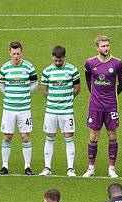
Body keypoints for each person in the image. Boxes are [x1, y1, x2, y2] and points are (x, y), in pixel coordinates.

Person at [82, 36, 122, 179]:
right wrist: (94, 94)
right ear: (97, 48)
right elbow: (88, 80)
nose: (106, 48)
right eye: (103, 46)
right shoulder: (90, 63)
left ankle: (112, 168)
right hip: (95, 105)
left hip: (110, 105)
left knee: (112, 135)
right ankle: (91, 168)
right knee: (93, 135)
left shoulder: (118, 63)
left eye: (107, 45)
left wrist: (113, 95)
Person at [39, 45, 80, 177]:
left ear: (64, 57)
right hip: (51, 111)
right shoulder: (47, 71)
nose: (57, 63)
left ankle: (70, 169)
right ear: (52, 57)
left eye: (60, 60)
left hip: (67, 111)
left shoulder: (73, 70)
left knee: (69, 137)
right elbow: (44, 90)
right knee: (49, 137)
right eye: (55, 60)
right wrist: (53, 100)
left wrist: (66, 99)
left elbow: (77, 88)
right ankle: (47, 168)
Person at [0, 41, 38, 176]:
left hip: (24, 109)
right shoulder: (4, 68)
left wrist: (24, 94)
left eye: (18, 53)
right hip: (9, 109)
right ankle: (4, 166)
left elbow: (34, 84)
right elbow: (1, 85)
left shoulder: (29, 67)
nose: (16, 56)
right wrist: (10, 95)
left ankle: (27, 166)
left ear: (22, 53)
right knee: (7, 136)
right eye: (13, 53)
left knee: (25, 136)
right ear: (10, 53)